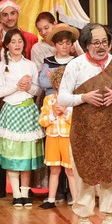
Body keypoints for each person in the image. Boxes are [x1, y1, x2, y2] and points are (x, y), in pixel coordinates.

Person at [58, 23, 112, 224]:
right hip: (83, 131)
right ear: (86, 45)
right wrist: (84, 98)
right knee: (83, 175)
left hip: (110, 130)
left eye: (105, 42)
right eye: (96, 42)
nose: (101, 47)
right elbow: (62, 98)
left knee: (111, 174)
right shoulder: (76, 65)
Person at [0, 29, 44, 208]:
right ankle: (15, 194)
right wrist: (16, 86)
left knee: (26, 154)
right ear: (7, 44)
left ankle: (25, 193)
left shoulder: (30, 65)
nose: (17, 45)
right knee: (12, 153)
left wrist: (28, 87)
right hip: (11, 111)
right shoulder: (0, 66)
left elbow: (38, 90)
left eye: (19, 41)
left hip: (28, 110)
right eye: (13, 41)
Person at [39, 67, 75, 209]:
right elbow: (42, 121)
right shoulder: (48, 100)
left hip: (67, 138)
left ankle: (76, 200)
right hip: (53, 138)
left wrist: (65, 112)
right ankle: (51, 199)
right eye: (60, 81)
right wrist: (54, 113)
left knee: (70, 170)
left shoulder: (72, 100)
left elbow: (75, 122)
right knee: (54, 169)